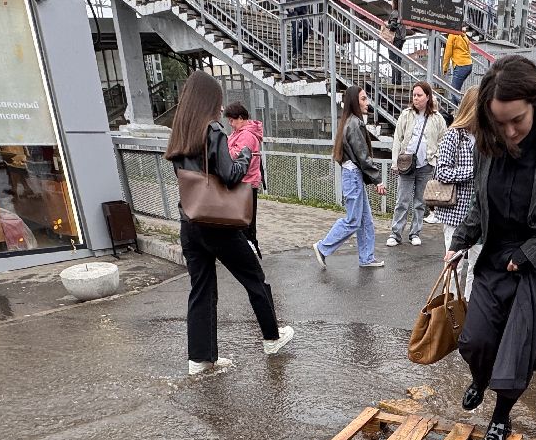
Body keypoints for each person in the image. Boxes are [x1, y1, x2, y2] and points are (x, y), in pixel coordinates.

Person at [444, 55, 536, 440]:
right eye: (500, 122)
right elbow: (479, 204)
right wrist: (461, 242)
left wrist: (530, 253)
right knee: (475, 341)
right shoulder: (487, 143)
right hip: (496, 255)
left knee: (516, 355)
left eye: (518, 121)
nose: (509, 132)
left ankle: (500, 416)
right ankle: (479, 377)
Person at [165, 72, 292, 375]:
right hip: (218, 223)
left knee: (201, 289)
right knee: (255, 279)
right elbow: (232, 174)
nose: (221, 108)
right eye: (219, 101)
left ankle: (201, 358)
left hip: (190, 220)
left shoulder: (180, 132)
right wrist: (247, 153)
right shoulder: (213, 131)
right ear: (210, 101)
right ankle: (272, 339)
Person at [314, 86, 387, 269]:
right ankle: (323, 247)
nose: (367, 102)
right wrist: (377, 179)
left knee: (365, 220)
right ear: (355, 101)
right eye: (363, 99)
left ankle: (367, 258)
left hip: (352, 175)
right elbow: (363, 156)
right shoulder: (354, 123)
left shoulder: (349, 121)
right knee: (354, 220)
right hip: (353, 175)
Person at [433, 84, 481, 291]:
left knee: (477, 265)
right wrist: (473, 170)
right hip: (455, 212)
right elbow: (441, 172)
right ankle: (450, 310)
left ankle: (472, 308)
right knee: (455, 264)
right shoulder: (453, 136)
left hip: (480, 213)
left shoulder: (486, 137)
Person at [387, 82, 445, 248]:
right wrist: (394, 162)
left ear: (428, 97)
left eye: (419, 95)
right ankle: (395, 234)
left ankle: (415, 233)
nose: (416, 98)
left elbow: (443, 139)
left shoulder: (437, 118)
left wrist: (436, 157)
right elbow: (397, 138)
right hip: (406, 164)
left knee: (420, 202)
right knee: (402, 201)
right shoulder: (406, 114)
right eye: (414, 95)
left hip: (426, 165)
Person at [225, 102, 264, 256]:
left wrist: (223, 151)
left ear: (240, 118)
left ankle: (249, 250)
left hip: (246, 182)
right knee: (244, 218)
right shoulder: (239, 133)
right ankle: (247, 248)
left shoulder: (246, 135)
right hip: (244, 182)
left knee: (245, 220)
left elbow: (235, 155)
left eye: (232, 120)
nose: (230, 123)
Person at [442, 28, 474, 99]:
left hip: (461, 65)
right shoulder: (464, 36)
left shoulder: (452, 35)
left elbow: (448, 53)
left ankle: (463, 108)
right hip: (468, 64)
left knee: (454, 92)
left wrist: (445, 67)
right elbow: (468, 51)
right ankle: (457, 109)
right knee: (456, 91)